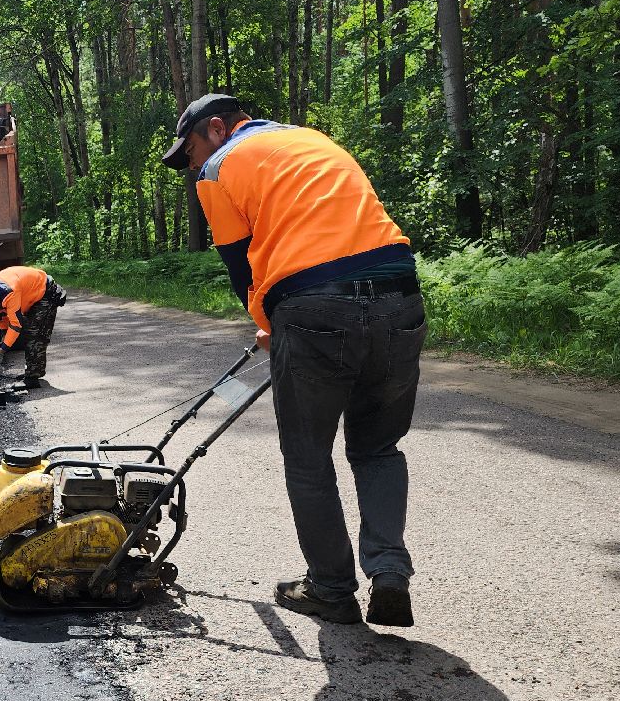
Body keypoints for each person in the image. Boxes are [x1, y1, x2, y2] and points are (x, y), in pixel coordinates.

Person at [161, 93, 426, 628]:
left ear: (216, 129)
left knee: (308, 457)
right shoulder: (315, 140)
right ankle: (390, 571)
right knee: (378, 447)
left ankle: (331, 588)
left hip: (313, 307)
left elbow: (243, 271)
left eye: (188, 150)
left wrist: (271, 325)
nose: (190, 164)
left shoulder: (219, 167)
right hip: (401, 297)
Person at [0, 265, 66, 387]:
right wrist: (4, 335)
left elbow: (16, 325)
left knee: (34, 334)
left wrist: (1, 351)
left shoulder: (9, 291)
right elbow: (3, 318)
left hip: (45, 292)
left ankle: (32, 378)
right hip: (31, 296)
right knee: (29, 332)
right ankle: (34, 371)